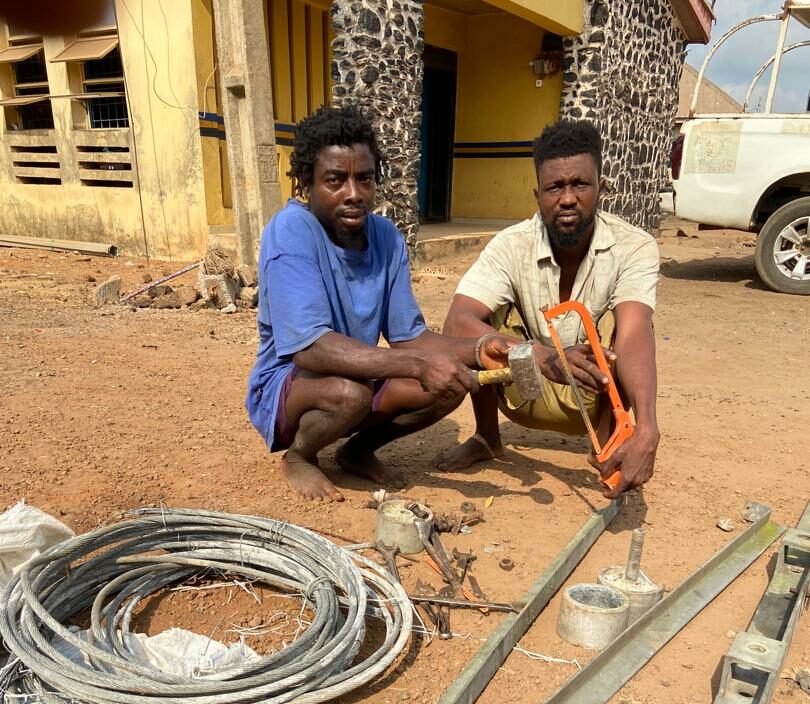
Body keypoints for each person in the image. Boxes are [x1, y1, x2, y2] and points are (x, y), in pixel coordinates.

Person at [246, 105, 510, 502]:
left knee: (448, 384)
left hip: (358, 374)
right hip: (289, 386)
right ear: (306, 182)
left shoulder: (385, 237)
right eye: (335, 180)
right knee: (352, 394)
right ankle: (300, 455)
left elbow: (409, 337)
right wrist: (419, 365)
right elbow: (310, 349)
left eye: (364, 179)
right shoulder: (290, 231)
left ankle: (356, 451)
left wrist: (478, 349)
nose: (354, 194)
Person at [439, 119, 660, 498]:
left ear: (602, 188)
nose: (568, 198)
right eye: (555, 187)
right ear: (537, 195)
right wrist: (539, 355)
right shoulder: (510, 245)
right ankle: (488, 437)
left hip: (592, 391)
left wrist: (649, 425)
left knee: (630, 326)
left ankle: (611, 441)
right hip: (523, 385)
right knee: (480, 322)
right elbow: (456, 323)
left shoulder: (635, 246)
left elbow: (636, 332)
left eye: (581, 184)